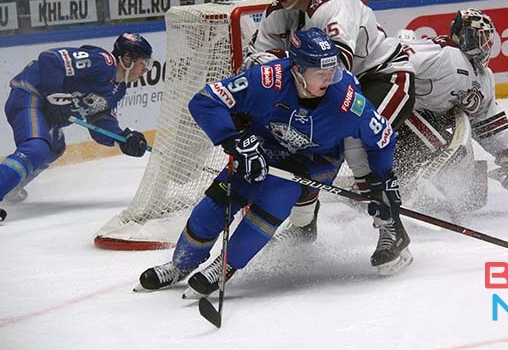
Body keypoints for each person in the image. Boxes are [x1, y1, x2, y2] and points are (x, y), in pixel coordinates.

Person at [136, 28, 409, 296]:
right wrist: (234, 140)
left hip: (316, 159)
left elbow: (383, 138)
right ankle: (180, 264)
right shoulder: (266, 79)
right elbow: (205, 100)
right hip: (264, 147)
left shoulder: (347, 102)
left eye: (332, 70)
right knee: (217, 203)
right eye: (320, 73)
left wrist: (384, 180)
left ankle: (224, 266)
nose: (329, 79)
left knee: (276, 196)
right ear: (297, 70)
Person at [246, 0, 415, 270]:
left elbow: (335, 72)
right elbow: (258, 67)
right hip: (329, 88)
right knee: (296, 142)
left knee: (357, 143)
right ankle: (303, 224)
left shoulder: (333, 6)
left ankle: (392, 229)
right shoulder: (276, 14)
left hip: (382, 77)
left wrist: (276, 64)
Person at [0, 33, 152, 227]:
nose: (146, 69)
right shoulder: (102, 62)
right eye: (143, 63)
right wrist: (55, 95)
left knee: (55, 148)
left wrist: (121, 138)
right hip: (30, 95)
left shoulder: (118, 89)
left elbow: (100, 121)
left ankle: (12, 186)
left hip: (45, 110)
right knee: (37, 148)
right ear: (127, 59)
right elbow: (50, 59)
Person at [395, 9, 508, 210]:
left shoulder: (483, 78)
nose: (483, 44)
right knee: (443, 151)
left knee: (467, 189)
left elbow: (488, 123)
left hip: (424, 129)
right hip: (394, 123)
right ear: (461, 36)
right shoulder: (442, 54)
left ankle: (414, 185)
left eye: (486, 38)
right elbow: (391, 60)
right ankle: (402, 182)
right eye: (478, 36)